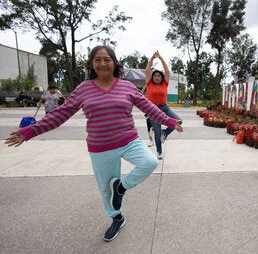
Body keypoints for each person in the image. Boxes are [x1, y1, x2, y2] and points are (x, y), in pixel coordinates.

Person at [4, 45, 183, 242]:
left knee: (150, 162)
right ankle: (117, 218)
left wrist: (171, 122)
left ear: (114, 63)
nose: (102, 63)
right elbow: (60, 114)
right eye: (97, 59)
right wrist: (29, 132)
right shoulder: (84, 88)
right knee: (105, 189)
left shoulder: (126, 86)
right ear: (92, 64)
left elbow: (149, 107)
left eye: (107, 59)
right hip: (100, 147)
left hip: (129, 140)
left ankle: (121, 188)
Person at [145, 51, 182, 160]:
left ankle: (164, 133)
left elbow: (167, 71)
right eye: (155, 76)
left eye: (158, 76)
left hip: (164, 108)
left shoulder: (165, 84)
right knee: (156, 132)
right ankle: (159, 151)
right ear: (152, 77)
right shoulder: (149, 84)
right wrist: (152, 57)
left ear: (162, 78)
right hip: (153, 110)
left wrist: (160, 58)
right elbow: (147, 70)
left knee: (178, 120)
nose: (156, 77)